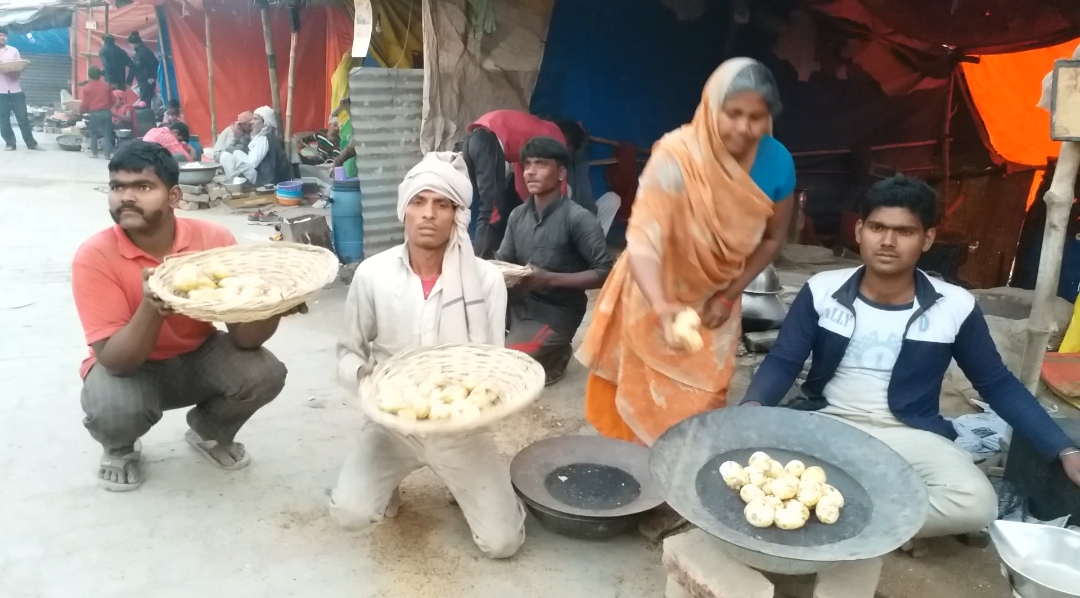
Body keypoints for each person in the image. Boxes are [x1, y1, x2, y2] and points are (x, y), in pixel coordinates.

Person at [740, 174, 1080, 539]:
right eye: (877, 227)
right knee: (746, 461)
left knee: (976, 503)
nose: (887, 241)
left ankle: (837, 512)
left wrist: (1063, 448)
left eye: (904, 231)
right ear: (859, 231)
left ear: (927, 239)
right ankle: (877, 516)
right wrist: (753, 405)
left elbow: (996, 384)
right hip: (825, 424)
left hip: (909, 435)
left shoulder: (955, 306)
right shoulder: (822, 290)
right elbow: (784, 361)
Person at [578, 58, 796, 446]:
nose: (745, 128)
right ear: (712, 106)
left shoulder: (778, 162)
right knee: (637, 394)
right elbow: (644, 240)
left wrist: (729, 297)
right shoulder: (678, 157)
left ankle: (680, 481)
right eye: (734, 114)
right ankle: (634, 479)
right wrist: (663, 307)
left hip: (718, 298)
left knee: (704, 398)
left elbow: (771, 239)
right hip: (652, 294)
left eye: (757, 117)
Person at [332, 152, 525, 559]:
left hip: (460, 428)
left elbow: (493, 361)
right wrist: (367, 377)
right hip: (392, 425)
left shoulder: (486, 279)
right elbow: (348, 352)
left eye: (442, 204)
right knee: (350, 515)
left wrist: (480, 403)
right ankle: (390, 483)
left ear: (456, 213)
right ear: (404, 209)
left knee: (503, 544)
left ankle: (480, 490)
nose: (428, 214)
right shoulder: (372, 274)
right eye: (418, 202)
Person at [71, 141, 293, 492]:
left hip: (197, 356)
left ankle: (209, 430)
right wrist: (153, 304)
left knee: (264, 372)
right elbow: (116, 362)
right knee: (112, 406)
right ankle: (120, 447)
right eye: (117, 187)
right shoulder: (95, 256)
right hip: (132, 369)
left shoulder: (213, 238)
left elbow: (244, 339)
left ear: (174, 197)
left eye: (142, 187)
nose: (126, 197)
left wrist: (274, 305)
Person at [497, 137, 613, 386]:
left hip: (555, 313)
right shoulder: (517, 216)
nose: (530, 171)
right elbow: (502, 262)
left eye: (540, 164)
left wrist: (548, 278)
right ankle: (525, 346)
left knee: (506, 365)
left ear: (561, 173)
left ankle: (556, 354)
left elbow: (605, 272)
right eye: (527, 164)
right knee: (475, 349)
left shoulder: (578, 218)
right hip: (517, 307)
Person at [462, 110, 573, 258]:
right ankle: (477, 261)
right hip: (489, 139)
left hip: (471, 140)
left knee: (477, 204)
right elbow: (560, 184)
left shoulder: (528, 137)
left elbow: (521, 184)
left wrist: (529, 207)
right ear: (569, 141)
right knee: (492, 210)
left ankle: (472, 254)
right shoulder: (555, 135)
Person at [220, 106, 291, 186]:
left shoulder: (266, 138)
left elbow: (253, 163)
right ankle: (236, 181)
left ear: (264, 122)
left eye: (255, 119)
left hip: (262, 178)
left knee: (226, 156)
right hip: (259, 174)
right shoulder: (262, 136)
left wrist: (237, 159)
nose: (252, 122)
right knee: (230, 155)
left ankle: (237, 184)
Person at [0, 26, 41, 151]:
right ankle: (10, 143)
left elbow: (19, 67)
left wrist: (12, 72)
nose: (2, 38)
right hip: (0, 92)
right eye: (0, 35)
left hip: (15, 89)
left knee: (23, 117)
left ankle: (31, 143)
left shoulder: (13, 51)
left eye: (4, 36)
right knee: (3, 119)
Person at [80, 66, 115, 159]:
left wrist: (81, 112)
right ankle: (107, 155)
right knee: (107, 133)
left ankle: (94, 153)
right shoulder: (106, 86)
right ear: (100, 76)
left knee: (93, 133)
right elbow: (113, 100)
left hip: (94, 113)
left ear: (89, 75)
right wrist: (108, 107)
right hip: (106, 112)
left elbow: (84, 104)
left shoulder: (86, 87)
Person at [126, 31, 159, 105]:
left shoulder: (142, 53)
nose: (129, 45)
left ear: (135, 43)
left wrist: (152, 77)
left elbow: (133, 67)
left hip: (146, 81)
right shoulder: (142, 51)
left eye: (130, 43)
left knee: (145, 102)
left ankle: (146, 115)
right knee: (146, 100)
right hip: (145, 80)